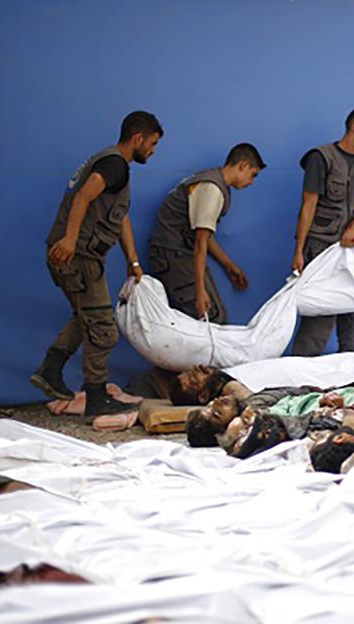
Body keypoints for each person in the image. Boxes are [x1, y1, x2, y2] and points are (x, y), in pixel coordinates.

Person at [33, 111, 162, 416]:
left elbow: (121, 217)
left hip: (79, 256)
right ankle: (95, 398)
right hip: (77, 258)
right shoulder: (114, 164)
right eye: (153, 143)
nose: (153, 151)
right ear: (138, 138)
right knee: (103, 328)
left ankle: (51, 370)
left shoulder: (115, 167)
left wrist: (132, 261)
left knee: (87, 319)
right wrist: (70, 239)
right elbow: (82, 197)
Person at [290, 106, 354, 356]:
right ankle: (301, 373)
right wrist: (298, 252)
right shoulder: (321, 158)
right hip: (320, 250)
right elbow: (307, 206)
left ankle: (353, 373)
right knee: (319, 321)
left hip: (347, 252)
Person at [148, 143, 266, 322]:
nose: (252, 182)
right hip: (172, 253)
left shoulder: (212, 182)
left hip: (178, 253)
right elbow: (200, 242)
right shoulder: (212, 189)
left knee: (214, 316)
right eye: (253, 174)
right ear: (242, 165)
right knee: (209, 317)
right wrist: (200, 291)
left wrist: (229, 266)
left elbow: (204, 235)